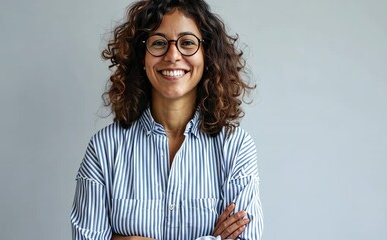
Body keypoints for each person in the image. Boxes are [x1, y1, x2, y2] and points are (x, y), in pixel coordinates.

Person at [70, 0, 263, 239]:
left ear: (207, 55)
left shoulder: (235, 147)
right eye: (159, 43)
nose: (173, 55)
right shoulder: (105, 149)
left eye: (188, 43)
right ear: (142, 56)